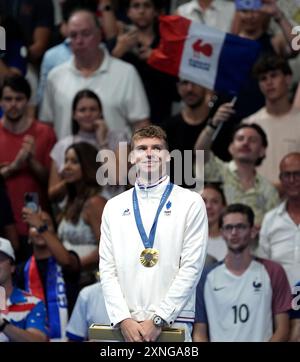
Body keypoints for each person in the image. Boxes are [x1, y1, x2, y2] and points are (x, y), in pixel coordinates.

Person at [99, 125, 208, 342]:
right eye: (141, 148)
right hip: (126, 327)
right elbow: (107, 269)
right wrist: (123, 319)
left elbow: (192, 267)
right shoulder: (113, 206)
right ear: (131, 157)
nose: (149, 153)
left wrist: (160, 318)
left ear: (168, 157)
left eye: (157, 148)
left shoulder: (190, 202)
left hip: (173, 322)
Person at [39, 8, 150, 139]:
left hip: (115, 158)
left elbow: (141, 124)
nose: (79, 41)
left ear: (99, 35)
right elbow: (46, 126)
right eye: (73, 35)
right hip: (67, 158)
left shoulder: (126, 73)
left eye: (85, 34)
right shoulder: (55, 76)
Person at [193, 203, 291, 342]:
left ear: (253, 231)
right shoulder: (205, 277)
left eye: (240, 227)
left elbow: (282, 330)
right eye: (228, 227)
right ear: (222, 233)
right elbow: (199, 334)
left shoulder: (273, 271)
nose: (234, 232)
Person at [0, 75, 56, 262]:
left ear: (27, 101)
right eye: (8, 99)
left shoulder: (44, 133)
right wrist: (14, 167)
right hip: (3, 226)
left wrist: (30, 160)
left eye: (19, 99)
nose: (13, 104)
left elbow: (52, 183)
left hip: (36, 226)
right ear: (1, 101)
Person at [49, 89, 129, 202]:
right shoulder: (62, 145)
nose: (88, 114)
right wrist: (70, 180)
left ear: (101, 112)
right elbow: (52, 195)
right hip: (76, 211)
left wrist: (102, 142)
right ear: (74, 114)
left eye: (93, 109)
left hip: (114, 208)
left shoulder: (118, 138)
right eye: (82, 110)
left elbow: (117, 179)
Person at [195, 121, 280, 227]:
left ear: (262, 151)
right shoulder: (217, 170)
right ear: (230, 147)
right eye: (240, 139)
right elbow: (199, 153)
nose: (245, 143)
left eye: (252, 140)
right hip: (215, 240)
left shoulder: (268, 189)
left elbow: (275, 225)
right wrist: (213, 124)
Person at [16, 209, 81, 341]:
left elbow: (66, 261)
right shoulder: (20, 270)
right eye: (34, 226)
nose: (39, 228)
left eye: (46, 224)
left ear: (55, 234)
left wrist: (40, 226)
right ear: (28, 237)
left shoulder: (68, 259)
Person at [243, 55, 300, 185]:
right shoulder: (249, 125)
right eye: (263, 78)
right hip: (256, 198)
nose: (269, 82)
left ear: (288, 79)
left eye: (274, 76)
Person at [58, 142, 106, 287]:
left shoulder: (95, 203)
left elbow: (107, 248)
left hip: (91, 281)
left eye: (74, 162)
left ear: (87, 165)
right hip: (70, 280)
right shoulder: (70, 201)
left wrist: (76, 264)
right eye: (66, 161)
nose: (67, 167)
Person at [258, 152, 300, 288]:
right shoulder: (270, 219)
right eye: (287, 175)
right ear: (281, 179)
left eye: (297, 174)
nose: (292, 180)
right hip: (282, 303)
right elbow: (264, 267)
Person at [0, 237, 48, 342]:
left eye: (0, 259)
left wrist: (3, 325)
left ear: (12, 267)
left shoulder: (33, 303)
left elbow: (39, 340)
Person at [201, 183, 227, 261]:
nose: (208, 206)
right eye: (203, 201)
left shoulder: (232, 240)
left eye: (215, 201)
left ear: (223, 207)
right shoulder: (185, 240)